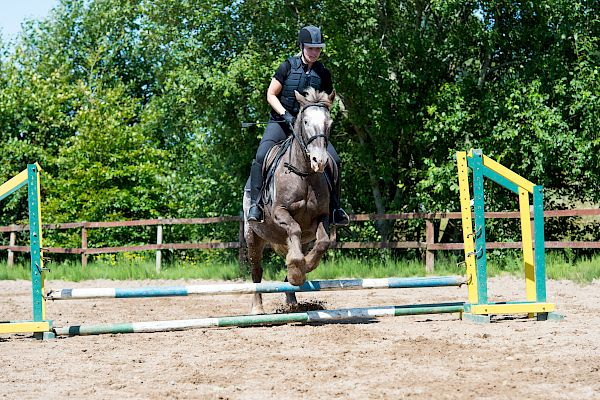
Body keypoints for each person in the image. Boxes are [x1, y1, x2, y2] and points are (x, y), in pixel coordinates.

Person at [247, 25, 349, 226]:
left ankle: (335, 208)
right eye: (311, 48)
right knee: (261, 156)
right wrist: (284, 114)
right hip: (283, 122)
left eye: (318, 49)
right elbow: (271, 94)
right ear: (302, 47)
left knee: (334, 160)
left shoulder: (323, 73)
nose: (314, 52)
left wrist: (321, 120)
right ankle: (255, 205)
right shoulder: (287, 67)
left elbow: (327, 101)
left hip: (310, 128)